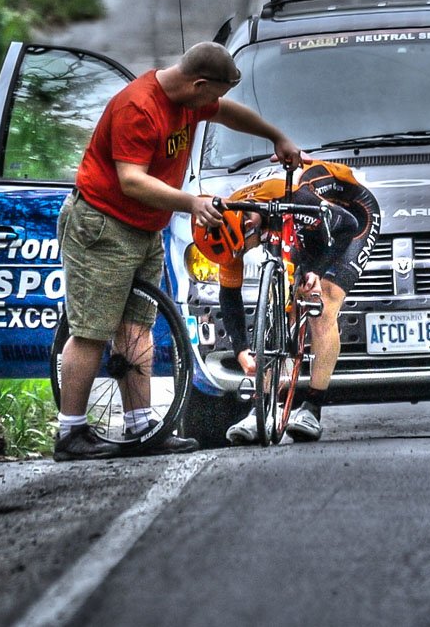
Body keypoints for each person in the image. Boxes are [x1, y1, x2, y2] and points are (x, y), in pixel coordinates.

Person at [54, 42, 304, 461]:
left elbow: (227, 112)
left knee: (136, 327)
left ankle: (141, 427)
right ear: (198, 84)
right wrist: (190, 203)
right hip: (103, 225)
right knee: (92, 330)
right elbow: (131, 180)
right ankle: (71, 433)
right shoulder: (139, 107)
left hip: (144, 229)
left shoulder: (188, 100)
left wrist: (275, 136)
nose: (213, 104)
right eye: (213, 94)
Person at [201, 160, 381, 444]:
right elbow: (229, 295)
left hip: (350, 213)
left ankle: (312, 408)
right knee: (284, 298)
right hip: (296, 220)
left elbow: (347, 225)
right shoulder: (226, 221)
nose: (239, 256)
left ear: (249, 225)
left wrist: (317, 271)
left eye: (241, 249)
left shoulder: (299, 198)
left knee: (322, 300)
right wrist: (241, 349)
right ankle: (260, 409)